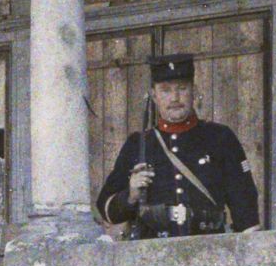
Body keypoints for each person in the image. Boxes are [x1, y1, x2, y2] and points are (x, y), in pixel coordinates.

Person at [96, 53, 261, 237]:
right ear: (154, 95)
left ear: (194, 91)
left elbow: (245, 205)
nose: (175, 98)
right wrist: (131, 194)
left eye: (182, 88)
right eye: (166, 90)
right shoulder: (137, 144)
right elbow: (106, 209)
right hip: (151, 252)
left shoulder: (220, 138)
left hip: (208, 246)